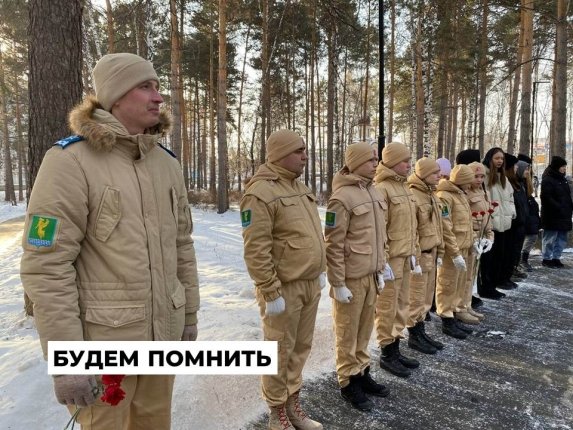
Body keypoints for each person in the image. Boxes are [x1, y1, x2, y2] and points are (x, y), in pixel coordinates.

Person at [20, 53, 200, 429]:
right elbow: (46, 265)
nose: (158, 96)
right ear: (116, 97)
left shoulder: (166, 164)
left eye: (157, 86)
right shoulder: (70, 161)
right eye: (145, 87)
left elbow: (182, 245)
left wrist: (187, 316)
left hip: (161, 340)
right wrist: (67, 361)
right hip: (104, 347)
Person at [241, 129, 325, 430]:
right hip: (283, 289)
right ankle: (276, 413)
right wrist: (269, 290)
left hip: (309, 283)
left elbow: (310, 234)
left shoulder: (299, 188)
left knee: (300, 348)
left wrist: (319, 269)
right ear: (280, 154)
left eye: (305, 150)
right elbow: (256, 249)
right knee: (278, 351)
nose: (305, 156)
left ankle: (292, 404)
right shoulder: (260, 193)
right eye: (298, 151)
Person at [325, 142, 389, 412]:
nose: (376, 164)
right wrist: (337, 283)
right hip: (351, 279)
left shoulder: (374, 191)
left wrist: (382, 265)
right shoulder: (341, 198)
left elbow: (380, 235)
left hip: (371, 275)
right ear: (355, 163)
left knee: (364, 330)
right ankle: (348, 381)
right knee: (347, 333)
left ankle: (362, 372)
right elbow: (333, 244)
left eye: (376, 159)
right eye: (370, 159)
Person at [373, 142, 420, 378]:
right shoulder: (382, 188)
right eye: (404, 160)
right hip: (391, 259)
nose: (408, 164)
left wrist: (414, 252)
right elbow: (380, 229)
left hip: (405, 255)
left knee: (402, 304)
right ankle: (387, 352)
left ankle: (396, 348)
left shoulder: (405, 187)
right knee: (387, 307)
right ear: (391, 162)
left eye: (409, 160)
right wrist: (383, 262)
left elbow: (412, 226)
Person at [406, 158, 445, 355]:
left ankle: (421, 331)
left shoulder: (431, 194)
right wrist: (415, 256)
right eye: (434, 173)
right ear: (423, 174)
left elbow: (438, 226)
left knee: (426, 298)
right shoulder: (413, 195)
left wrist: (441, 251)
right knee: (416, 297)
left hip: (432, 252)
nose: (439, 175)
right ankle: (414, 334)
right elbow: (411, 230)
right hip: (420, 255)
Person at [435, 165, 476, 338]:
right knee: (447, 285)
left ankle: (454, 314)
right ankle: (446, 318)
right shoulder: (444, 197)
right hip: (452, 251)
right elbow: (446, 226)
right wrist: (454, 252)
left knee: (458, 284)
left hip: (463, 247)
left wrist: (473, 241)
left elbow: (467, 223)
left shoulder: (460, 195)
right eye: (468, 181)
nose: (470, 185)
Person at [478, 148, 516, 300]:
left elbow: (510, 198)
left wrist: (511, 212)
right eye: (496, 158)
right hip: (491, 224)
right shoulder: (484, 176)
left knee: (499, 256)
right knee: (488, 259)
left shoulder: (503, 178)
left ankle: (493, 285)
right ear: (490, 159)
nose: (500, 161)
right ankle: (486, 288)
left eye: (501, 158)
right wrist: (490, 216)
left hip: (504, 224)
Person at [463, 161, 494, 321]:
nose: (479, 179)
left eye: (482, 176)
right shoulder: (465, 193)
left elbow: (487, 216)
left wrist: (490, 236)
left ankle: (467, 305)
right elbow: (465, 219)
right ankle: (461, 307)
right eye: (476, 176)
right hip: (470, 238)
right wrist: (475, 238)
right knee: (465, 275)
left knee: (472, 276)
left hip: (481, 239)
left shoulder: (483, 192)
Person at [540, 156, 573, 268]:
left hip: (564, 214)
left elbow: (567, 196)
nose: (564, 168)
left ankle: (556, 258)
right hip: (552, 215)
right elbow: (546, 197)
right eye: (562, 166)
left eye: (565, 166)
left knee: (561, 239)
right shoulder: (548, 180)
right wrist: (558, 207)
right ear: (556, 167)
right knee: (549, 238)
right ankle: (546, 259)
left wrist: (569, 207)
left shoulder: (563, 179)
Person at [517, 154, 540, 272]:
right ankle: (521, 260)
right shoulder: (519, 182)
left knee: (532, 235)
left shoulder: (526, 180)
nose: (528, 170)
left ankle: (523, 259)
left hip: (529, 212)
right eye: (526, 168)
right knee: (528, 236)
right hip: (524, 213)